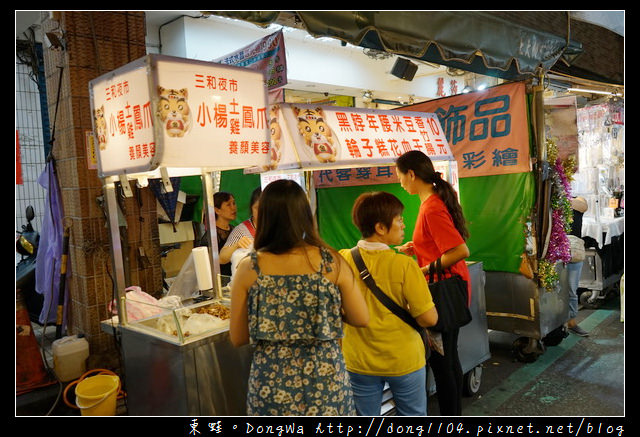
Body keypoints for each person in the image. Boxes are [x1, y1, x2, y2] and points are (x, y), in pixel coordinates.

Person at [229, 179, 369, 416]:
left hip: (271, 388)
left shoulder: (249, 268)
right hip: (327, 383)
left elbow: (238, 338)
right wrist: (328, 312)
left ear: (264, 217)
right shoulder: (331, 262)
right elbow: (361, 317)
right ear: (305, 214)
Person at [339, 191, 438, 416]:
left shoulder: (343, 259)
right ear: (380, 228)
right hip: (403, 360)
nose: (403, 224)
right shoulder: (404, 266)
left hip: (358, 360)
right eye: (399, 219)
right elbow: (429, 318)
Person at [395, 150, 471, 416]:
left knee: (442, 364)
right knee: (448, 358)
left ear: (412, 174)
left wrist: (424, 269)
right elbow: (439, 243)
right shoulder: (431, 202)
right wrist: (416, 247)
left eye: (400, 176)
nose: (400, 182)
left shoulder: (432, 207)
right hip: (449, 287)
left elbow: (460, 251)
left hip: (443, 292)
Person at [220, 187, 261, 275]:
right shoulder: (241, 231)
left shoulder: (280, 227)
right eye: (257, 208)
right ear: (251, 208)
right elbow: (222, 258)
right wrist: (236, 245)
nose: (262, 212)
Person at [565, 196, 589, 337]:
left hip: (574, 251)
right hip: (554, 249)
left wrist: (562, 199)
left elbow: (583, 205)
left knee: (572, 290)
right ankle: (557, 324)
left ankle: (572, 322)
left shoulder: (577, 200)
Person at [200, 191, 237, 276]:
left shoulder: (234, 230)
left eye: (234, 203)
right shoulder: (211, 236)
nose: (233, 208)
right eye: (228, 205)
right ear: (217, 210)